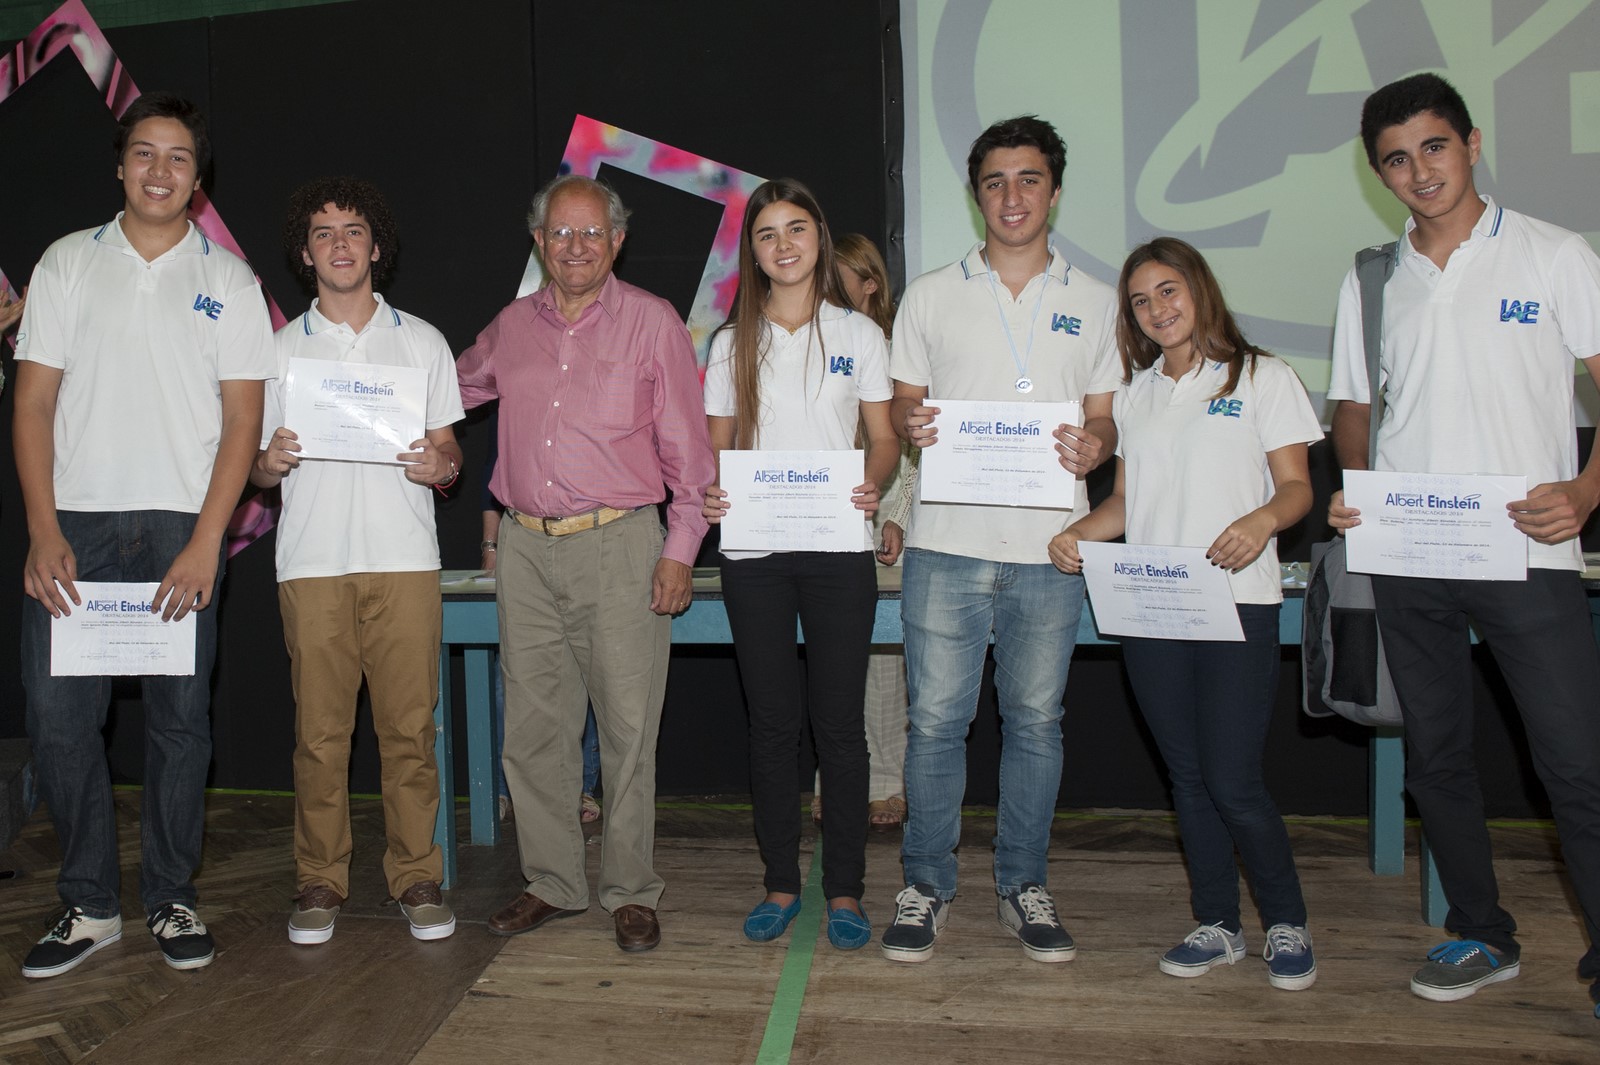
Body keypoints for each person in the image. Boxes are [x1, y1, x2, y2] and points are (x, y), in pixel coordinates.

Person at [1327, 72, 1600, 1011]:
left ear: (1472, 144)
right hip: (1410, 555)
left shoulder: (1555, 254)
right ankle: (1483, 934)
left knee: (1574, 761)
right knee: (1437, 753)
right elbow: (1355, 408)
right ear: (1379, 173)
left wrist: (1588, 490)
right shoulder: (1373, 278)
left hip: (1528, 550)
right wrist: (1358, 492)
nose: (1419, 170)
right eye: (1396, 158)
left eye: (1434, 147)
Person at [14, 92, 274, 978]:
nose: (158, 171)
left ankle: (169, 894)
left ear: (198, 182)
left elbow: (243, 424)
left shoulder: (231, 283)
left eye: (177, 159)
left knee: (178, 724)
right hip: (76, 527)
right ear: (119, 164)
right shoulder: (64, 264)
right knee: (58, 720)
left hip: (180, 525)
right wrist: (42, 527)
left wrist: (209, 541)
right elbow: (34, 401)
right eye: (143, 153)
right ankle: (88, 904)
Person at [1048, 237, 1322, 990]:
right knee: (1189, 775)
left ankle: (1287, 921)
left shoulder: (1264, 376)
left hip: (1238, 605)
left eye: (1168, 290)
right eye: (1140, 300)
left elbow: (1296, 486)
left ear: (1198, 290)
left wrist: (1263, 520)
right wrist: (1075, 533)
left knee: (1234, 777)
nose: (1156, 309)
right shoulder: (1134, 395)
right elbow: (1127, 505)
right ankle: (1218, 922)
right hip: (1153, 606)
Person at [883, 115, 1121, 963]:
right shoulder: (931, 294)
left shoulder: (1097, 301)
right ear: (975, 193)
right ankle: (925, 884)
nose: (1011, 196)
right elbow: (906, 408)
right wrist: (914, 421)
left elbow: (1104, 419)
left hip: (1051, 552)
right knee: (937, 724)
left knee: (1035, 724)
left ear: (1054, 190)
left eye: (1028, 180)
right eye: (994, 182)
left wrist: (1099, 445)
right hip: (945, 544)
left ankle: (1024, 882)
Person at [456, 174, 715, 953]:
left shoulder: (653, 322)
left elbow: (690, 453)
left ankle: (630, 888)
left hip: (622, 542)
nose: (575, 247)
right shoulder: (510, 325)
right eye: (560, 234)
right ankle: (554, 882)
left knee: (629, 727)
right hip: (527, 548)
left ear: (617, 241)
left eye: (591, 234)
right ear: (538, 242)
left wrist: (679, 549)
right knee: (534, 727)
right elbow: (447, 389)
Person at [250, 177, 464, 945]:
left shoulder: (423, 341)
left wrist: (438, 467)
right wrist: (267, 461)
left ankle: (416, 875)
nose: (340, 245)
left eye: (352, 231)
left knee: (411, 730)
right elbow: (256, 471)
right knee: (320, 734)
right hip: (311, 563)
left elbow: (451, 457)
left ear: (376, 247)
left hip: (405, 559)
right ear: (304, 254)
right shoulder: (275, 351)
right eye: (323, 233)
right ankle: (319, 878)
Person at [702, 181, 896, 950]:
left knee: (840, 727)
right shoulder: (729, 341)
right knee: (773, 724)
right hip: (754, 549)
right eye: (767, 234)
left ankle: (844, 886)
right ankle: (781, 879)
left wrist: (874, 478)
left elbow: (883, 436)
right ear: (752, 251)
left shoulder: (861, 335)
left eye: (797, 228)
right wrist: (716, 490)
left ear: (821, 236)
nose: (783, 245)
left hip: (838, 548)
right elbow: (718, 446)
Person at [479, 435, 603, 825]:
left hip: (596, 547)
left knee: (597, 680)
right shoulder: (522, 403)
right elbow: (493, 484)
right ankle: (504, 789)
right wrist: (490, 547)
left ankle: (583, 785)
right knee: (511, 686)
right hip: (527, 552)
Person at [837, 233, 913, 831]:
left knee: (883, 661)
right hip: (823, 527)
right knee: (831, 662)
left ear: (871, 284)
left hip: (885, 521)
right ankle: (834, 778)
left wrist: (896, 517)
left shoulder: (895, 351)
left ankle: (887, 779)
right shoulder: (806, 345)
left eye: (843, 282)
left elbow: (910, 448)